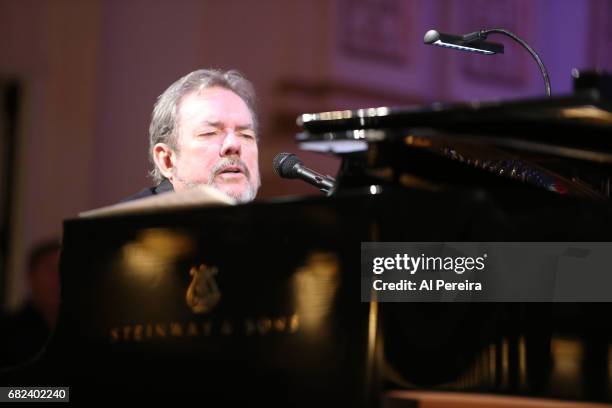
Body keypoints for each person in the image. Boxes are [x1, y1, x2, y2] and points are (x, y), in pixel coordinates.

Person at [126, 69, 261, 203]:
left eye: (246, 135)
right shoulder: (126, 223)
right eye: (209, 133)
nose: (234, 144)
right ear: (167, 160)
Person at [0, 240, 61, 367]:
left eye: (64, 269)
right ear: (31, 276)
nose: (58, 278)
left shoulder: (81, 331)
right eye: (51, 269)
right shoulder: (6, 331)